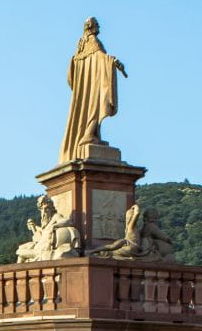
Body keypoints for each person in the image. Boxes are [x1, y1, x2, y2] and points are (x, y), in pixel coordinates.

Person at [59, 17, 127, 163]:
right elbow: (101, 58)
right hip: (93, 86)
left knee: (92, 108)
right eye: (97, 24)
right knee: (95, 107)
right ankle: (89, 135)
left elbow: (72, 73)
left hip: (87, 89)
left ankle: (92, 135)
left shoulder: (81, 47)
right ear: (91, 27)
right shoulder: (93, 43)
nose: (99, 26)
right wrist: (113, 61)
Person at [16, 195, 79, 262]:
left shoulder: (56, 216)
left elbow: (67, 221)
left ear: (51, 208)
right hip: (38, 247)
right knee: (21, 247)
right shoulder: (45, 224)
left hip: (43, 251)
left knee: (19, 252)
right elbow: (42, 235)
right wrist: (34, 227)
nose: (43, 212)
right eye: (41, 209)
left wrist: (54, 226)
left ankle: (18, 270)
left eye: (45, 209)